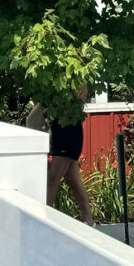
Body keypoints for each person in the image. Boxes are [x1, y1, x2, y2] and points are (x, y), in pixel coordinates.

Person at [45, 83, 96, 226]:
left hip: (69, 133)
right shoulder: (52, 80)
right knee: (72, 180)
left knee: (52, 179)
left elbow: (78, 105)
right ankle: (89, 221)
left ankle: (44, 220)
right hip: (58, 133)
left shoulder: (79, 80)